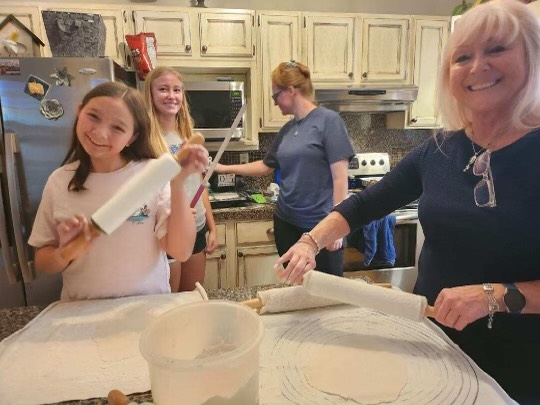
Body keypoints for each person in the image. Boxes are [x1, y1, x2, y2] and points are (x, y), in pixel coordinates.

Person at [276, 1, 540, 403]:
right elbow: (364, 204)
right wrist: (310, 242)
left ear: (532, 57)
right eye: (462, 56)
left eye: (497, 49)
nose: (476, 66)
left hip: (517, 366)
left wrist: (493, 295)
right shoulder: (438, 149)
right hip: (434, 342)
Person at [28, 82, 208, 301]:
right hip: (83, 310)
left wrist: (177, 182)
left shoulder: (152, 174)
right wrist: (64, 253)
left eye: (118, 128)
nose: (101, 133)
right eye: (93, 116)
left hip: (145, 308)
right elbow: (43, 261)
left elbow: (180, 251)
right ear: (79, 110)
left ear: (132, 137)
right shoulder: (59, 181)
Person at [215, 61, 354, 276]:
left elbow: (340, 178)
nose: (274, 103)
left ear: (290, 91)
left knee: (328, 291)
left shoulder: (329, 122)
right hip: (286, 223)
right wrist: (224, 168)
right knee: (296, 284)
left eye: (275, 96)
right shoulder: (288, 130)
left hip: (319, 227)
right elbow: (264, 166)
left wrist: (337, 227)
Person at [144, 67, 217, 292]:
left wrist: (212, 227)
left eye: (177, 90)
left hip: (197, 226)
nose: (171, 95)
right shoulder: (145, 137)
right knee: (170, 301)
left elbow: (199, 183)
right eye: (163, 89)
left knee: (193, 296)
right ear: (151, 94)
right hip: (168, 229)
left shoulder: (185, 133)